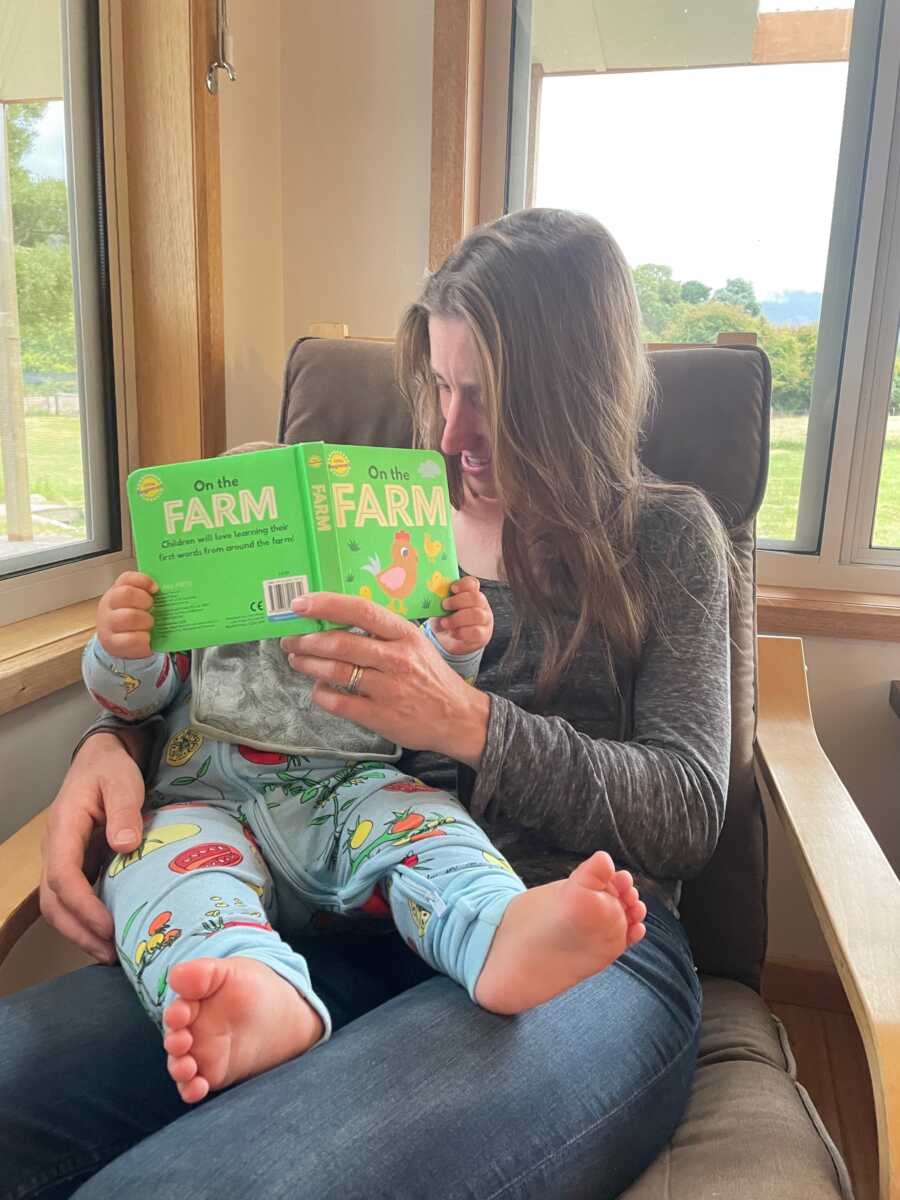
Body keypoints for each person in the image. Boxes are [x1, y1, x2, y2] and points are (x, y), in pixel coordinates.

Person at [0, 208, 730, 1200]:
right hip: (329, 906)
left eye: (493, 398)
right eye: (441, 384)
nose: (452, 430)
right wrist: (116, 731)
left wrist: (465, 722)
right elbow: (229, 675)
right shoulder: (368, 509)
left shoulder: (667, 537)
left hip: (575, 946)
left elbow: (688, 807)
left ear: (577, 396)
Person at [83, 548, 645, 1103]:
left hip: (342, 792)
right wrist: (122, 646)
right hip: (205, 808)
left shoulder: (350, 601)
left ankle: (494, 923)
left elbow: (412, 680)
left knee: (426, 820)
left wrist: (451, 645)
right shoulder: (191, 614)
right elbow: (134, 701)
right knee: (154, 863)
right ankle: (248, 983)